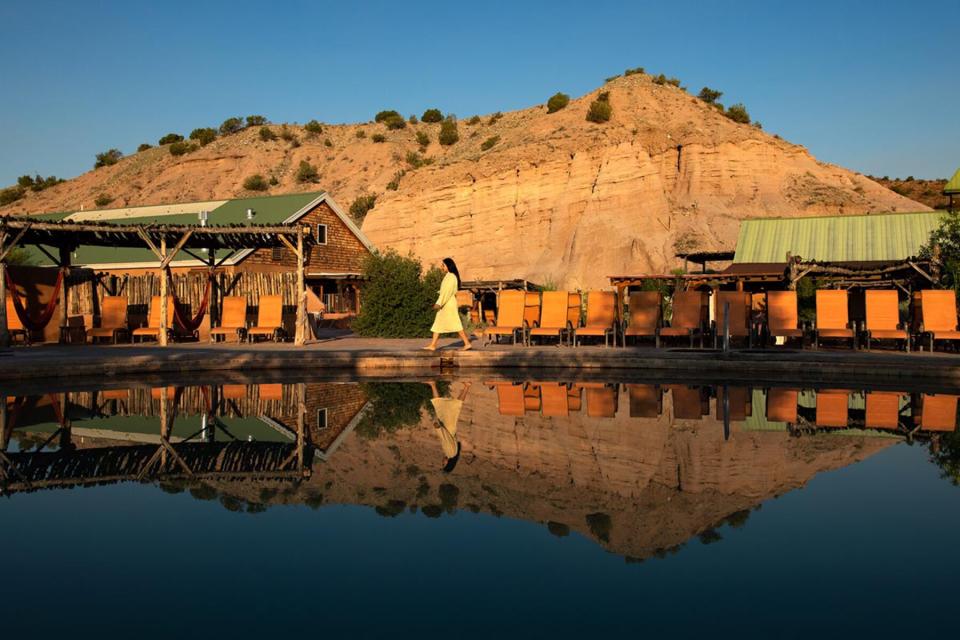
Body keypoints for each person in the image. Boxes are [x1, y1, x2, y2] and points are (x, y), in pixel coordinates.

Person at [423, 257, 472, 351]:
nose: (442, 267)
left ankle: (467, 343)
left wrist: (439, 303)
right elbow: (444, 291)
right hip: (446, 303)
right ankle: (433, 345)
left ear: (448, 266)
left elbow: (447, 292)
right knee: (438, 323)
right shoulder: (449, 276)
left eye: (443, 265)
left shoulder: (451, 277)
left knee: (455, 324)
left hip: (448, 304)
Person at [428, 381, 471, 473]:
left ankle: (432, 384)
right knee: (450, 406)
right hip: (448, 427)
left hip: (449, 427)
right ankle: (467, 386)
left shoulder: (452, 453)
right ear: (448, 464)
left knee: (445, 406)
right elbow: (446, 438)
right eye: (443, 464)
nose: (442, 462)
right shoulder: (450, 453)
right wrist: (438, 428)